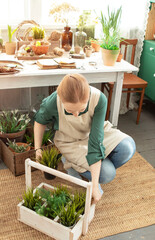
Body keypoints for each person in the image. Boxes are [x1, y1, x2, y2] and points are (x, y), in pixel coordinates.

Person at [34, 73, 136, 204]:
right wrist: (37, 149)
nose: (76, 115)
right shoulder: (53, 101)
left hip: (93, 133)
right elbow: (40, 121)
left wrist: (94, 184)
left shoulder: (99, 99)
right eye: (70, 111)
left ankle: (89, 166)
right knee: (107, 174)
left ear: (88, 97)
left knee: (127, 147)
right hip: (69, 141)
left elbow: (95, 142)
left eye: (81, 109)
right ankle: (72, 163)